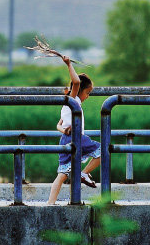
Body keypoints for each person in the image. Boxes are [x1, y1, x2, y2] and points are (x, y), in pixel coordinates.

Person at [47, 55, 101, 205]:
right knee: (103, 151)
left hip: (65, 139)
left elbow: (58, 125)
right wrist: (69, 64)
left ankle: (50, 203)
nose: (88, 96)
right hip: (76, 138)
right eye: (88, 93)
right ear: (80, 91)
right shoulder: (73, 99)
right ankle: (84, 173)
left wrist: (64, 131)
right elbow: (76, 82)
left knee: (62, 174)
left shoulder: (66, 104)